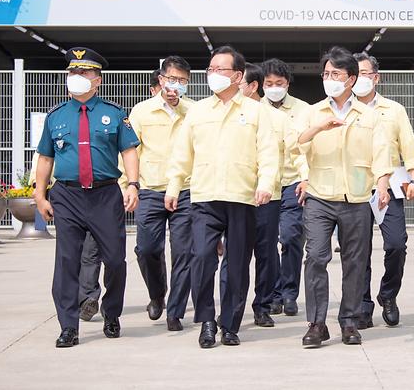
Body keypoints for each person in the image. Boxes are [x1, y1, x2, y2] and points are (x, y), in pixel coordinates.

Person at [164, 46, 279, 348]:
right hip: (205, 196)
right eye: (210, 69)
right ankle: (207, 321)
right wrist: (174, 186)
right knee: (201, 258)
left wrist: (266, 182)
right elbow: (182, 153)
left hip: (243, 198)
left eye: (220, 70)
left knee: (237, 264)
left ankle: (230, 324)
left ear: (237, 75)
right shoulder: (198, 111)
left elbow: (268, 152)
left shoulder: (256, 111)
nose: (213, 74)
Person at [34, 47, 141, 348]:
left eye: (84, 72)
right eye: (72, 72)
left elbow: (129, 151)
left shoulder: (114, 114)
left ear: (98, 80)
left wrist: (132, 185)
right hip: (66, 196)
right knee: (67, 262)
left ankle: (112, 312)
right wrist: (40, 196)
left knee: (116, 261)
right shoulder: (56, 116)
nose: (76, 77)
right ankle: (68, 326)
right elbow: (45, 158)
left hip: (105, 195)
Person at [294, 46, 392, 348]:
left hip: (357, 197)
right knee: (316, 258)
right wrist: (318, 130)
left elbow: (381, 152)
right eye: (326, 74)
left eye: (335, 74)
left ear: (351, 79)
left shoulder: (370, 115)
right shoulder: (312, 112)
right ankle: (317, 323)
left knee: (355, 262)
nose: (329, 79)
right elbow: (296, 146)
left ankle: (349, 320)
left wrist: (384, 184)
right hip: (319, 196)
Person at [219, 62, 294, 328]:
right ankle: (227, 307)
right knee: (233, 255)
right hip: (233, 195)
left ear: (252, 87)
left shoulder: (277, 119)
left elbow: (291, 152)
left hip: (267, 197)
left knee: (265, 253)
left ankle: (262, 305)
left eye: (238, 83)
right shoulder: (222, 114)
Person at [352, 52, 414, 329]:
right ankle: (362, 305)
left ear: (376, 78)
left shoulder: (394, 110)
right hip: (355, 186)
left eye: (366, 74)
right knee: (358, 251)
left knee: (395, 245)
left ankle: (388, 295)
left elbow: (408, 145)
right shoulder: (343, 110)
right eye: (355, 74)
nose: (361, 79)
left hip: (389, 187)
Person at [126, 55, 194, 331]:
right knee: (147, 250)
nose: (175, 85)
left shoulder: (194, 111)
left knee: (184, 253)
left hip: (187, 190)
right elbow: (129, 152)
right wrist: (128, 185)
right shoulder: (141, 112)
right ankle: (157, 294)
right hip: (151, 190)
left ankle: (175, 310)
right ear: (161, 79)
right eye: (171, 79)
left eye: (182, 81)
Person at [261, 58, 310, 317]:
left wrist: (306, 177)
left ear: (287, 84)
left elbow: (306, 147)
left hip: (293, 181)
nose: (274, 87)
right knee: (266, 243)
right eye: (269, 83)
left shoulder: (304, 110)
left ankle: (290, 292)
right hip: (265, 185)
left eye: (279, 83)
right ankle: (273, 294)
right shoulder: (255, 109)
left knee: (291, 237)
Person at [29, 150, 102, 322]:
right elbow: (42, 159)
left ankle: (87, 298)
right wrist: (38, 190)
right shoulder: (56, 125)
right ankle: (74, 298)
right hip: (66, 198)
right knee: (70, 254)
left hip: (97, 197)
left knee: (92, 250)